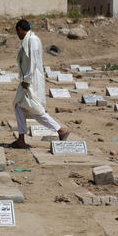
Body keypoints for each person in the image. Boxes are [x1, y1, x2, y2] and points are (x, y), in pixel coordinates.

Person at [11, 19, 69, 149]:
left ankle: (60, 130)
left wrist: (27, 80)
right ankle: (21, 139)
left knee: (36, 110)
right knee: (19, 107)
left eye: (17, 32)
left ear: (20, 29)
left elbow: (33, 62)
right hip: (27, 80)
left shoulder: (32, 40)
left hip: (31, 81)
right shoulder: (29, 39)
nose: (17, 35)